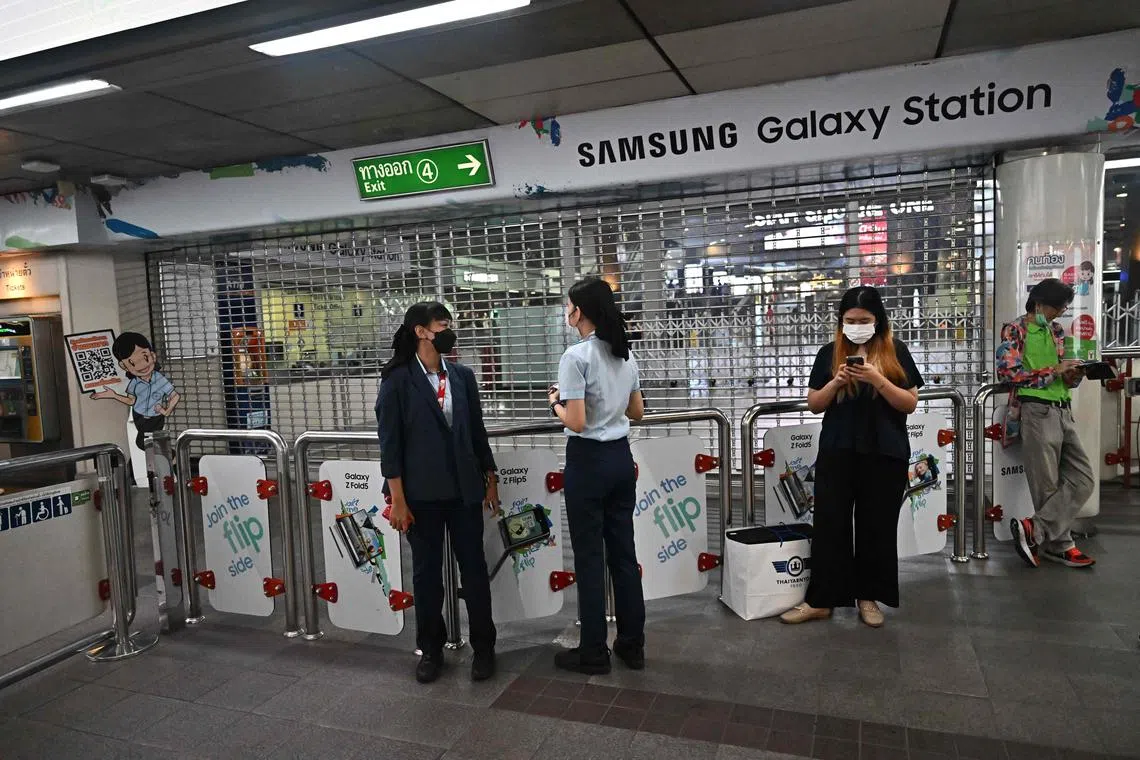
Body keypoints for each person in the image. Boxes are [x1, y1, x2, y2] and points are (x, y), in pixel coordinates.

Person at [780, 285, 923, 628]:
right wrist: (836, 382)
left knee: (877, 527)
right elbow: (814, 404)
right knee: (830, 524)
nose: (856, 325)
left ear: (878, 320)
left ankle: (868, 598)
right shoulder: (830, 353)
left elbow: (910, 403)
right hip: (838, 450)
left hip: (885, 453)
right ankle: (821, 599)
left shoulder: (895, 352)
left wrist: (877, 379)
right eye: (850, 320)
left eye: (864, 319)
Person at [375, 302, 500, 683]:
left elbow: (476, 431)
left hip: (464, 490)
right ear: (420, 331)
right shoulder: (396, 379)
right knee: (427, 576)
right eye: (442, 324)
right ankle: (431, 649)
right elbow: (390, 445)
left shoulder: (462, 376)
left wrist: (490, 476)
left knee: (475, 571)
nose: (449, 330)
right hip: (420, 496)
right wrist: (398, 499)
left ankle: (485, 648)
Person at [547, 278, 646, 674]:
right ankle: (632, 643)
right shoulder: (624, 352)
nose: (566, 313)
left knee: (589, 558)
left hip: (588, 462)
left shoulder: (576, 357)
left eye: (569, 306)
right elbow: (636, 412)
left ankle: (592, 651)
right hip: (621, 459)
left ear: (580, 312)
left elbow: (576, 419)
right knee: (624, 555)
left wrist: (555, 401)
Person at [996, 278, 1095, 569]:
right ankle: (1062, 546)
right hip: (1035, 411)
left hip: (1063, 409)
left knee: (1083, 478)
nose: (1061, 313)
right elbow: (1008, 374)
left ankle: (1034, 529)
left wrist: (1071, 375)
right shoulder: (1014, 330)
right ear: (1039, 303)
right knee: (1047, 485)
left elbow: (1060, 371)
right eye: (1058, 306)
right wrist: (1054, 370)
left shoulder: (1056, 331)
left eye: (1064, 307)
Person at [92, 332, 180, 450]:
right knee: (146, 444)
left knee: (145, 443)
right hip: (138, 416)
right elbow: (131, 400)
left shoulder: (159, 379)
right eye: (132, 362)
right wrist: (114, 395)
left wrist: (167, 411)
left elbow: (175, 396)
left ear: (152, 356)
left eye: (145, 357)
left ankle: (170, 459)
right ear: (123, 365)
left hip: (155, 417)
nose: (141, 365)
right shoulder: (134, 383)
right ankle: (166, 460)